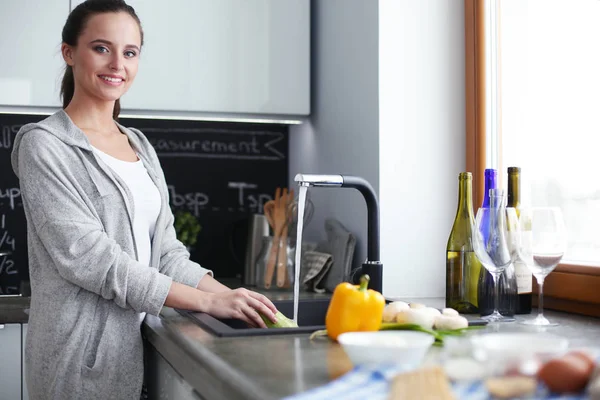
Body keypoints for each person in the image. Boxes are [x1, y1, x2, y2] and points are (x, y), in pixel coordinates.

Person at [10, 1, 278, 399]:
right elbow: (94, 261)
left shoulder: (139, 146)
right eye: (101, 48)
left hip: (136, 350)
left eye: (130, 52)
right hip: (78, 361)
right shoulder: (44, 146)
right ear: (69, 52)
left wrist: (232, 299)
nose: (117, 63)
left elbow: (166, 253)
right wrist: (206, 302)